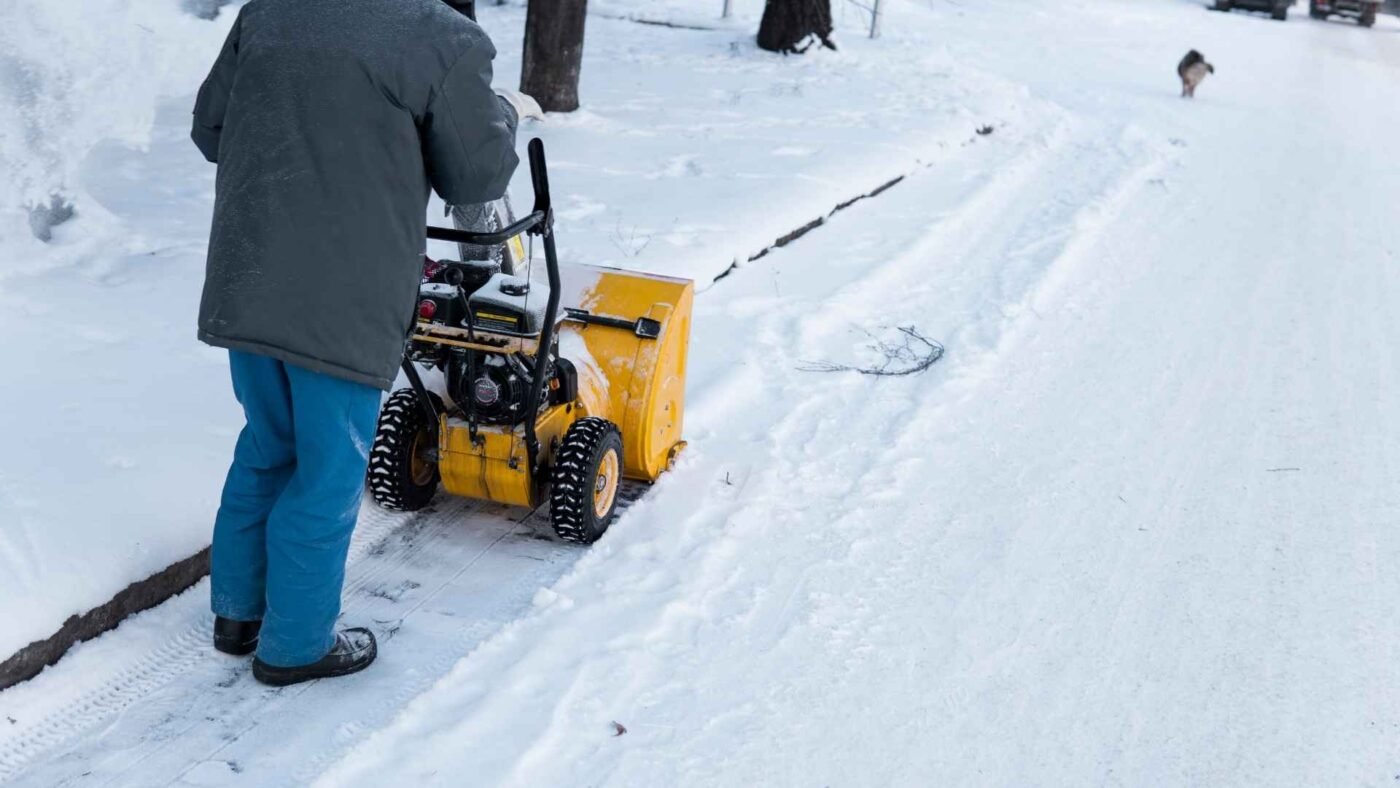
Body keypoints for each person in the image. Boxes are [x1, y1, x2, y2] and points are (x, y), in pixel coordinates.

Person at [191, 0, 540, 686]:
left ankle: (237, 615)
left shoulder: (268, 13)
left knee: (267, 444)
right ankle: (295, 646)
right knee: (328, 469)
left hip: (249, 274)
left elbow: (212, 130)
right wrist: (501, 111)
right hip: (343, 293)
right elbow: (475, 176)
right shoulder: (442, 37)